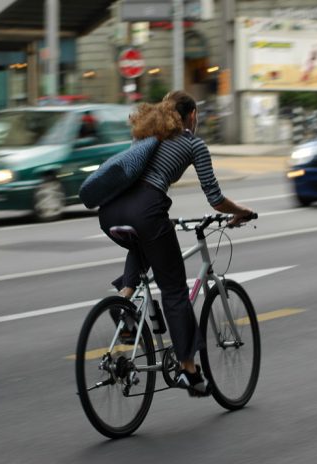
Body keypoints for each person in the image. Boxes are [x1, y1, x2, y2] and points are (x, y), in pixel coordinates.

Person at [98, 90, 254, 397]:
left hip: (111, 210)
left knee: (146, 241)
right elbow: (215, 198)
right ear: (192, 115)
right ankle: (189, 371)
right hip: (146, 210)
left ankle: (124, 301)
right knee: (174, 290)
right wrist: (242, 212)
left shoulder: (146, 136)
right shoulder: (194, 143)